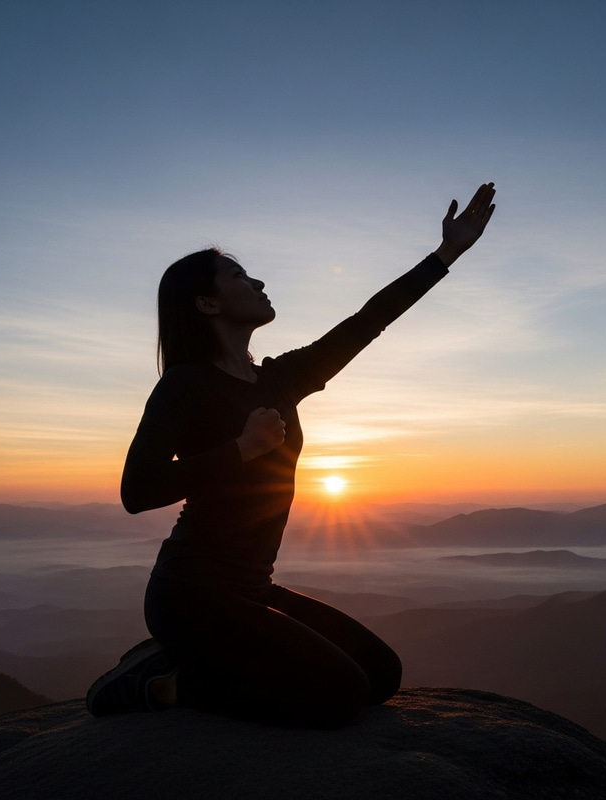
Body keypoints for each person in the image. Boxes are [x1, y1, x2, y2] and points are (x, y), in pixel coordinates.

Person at [86, 182, 497, 728]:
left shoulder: (280, 379)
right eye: (238, 276)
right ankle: (158, 684)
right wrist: (241, 449)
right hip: (190, 595)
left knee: (380, 673)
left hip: (254, 587)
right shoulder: (185, 385)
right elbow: (137, 492)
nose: (256, 280)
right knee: (339, 692)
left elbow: (366, 322)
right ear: (207, 304)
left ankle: (193, 666)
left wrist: (446, 254)